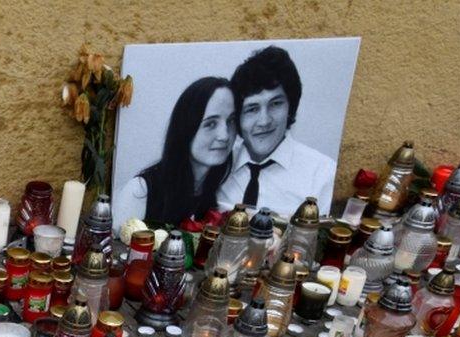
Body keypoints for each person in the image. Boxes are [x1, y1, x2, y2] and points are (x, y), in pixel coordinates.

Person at [215, 46, 337, 216]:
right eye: (252, 109)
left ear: (290, 108)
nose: (264, 121)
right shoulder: (217, 163)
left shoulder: (323, 174)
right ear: (238, 118)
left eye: (275, 104)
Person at [113, 76, 235, 229]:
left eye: (231, 121)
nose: (224, 135)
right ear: (186, 127)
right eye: (210, 123)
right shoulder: (141, 191)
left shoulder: (225, 193)